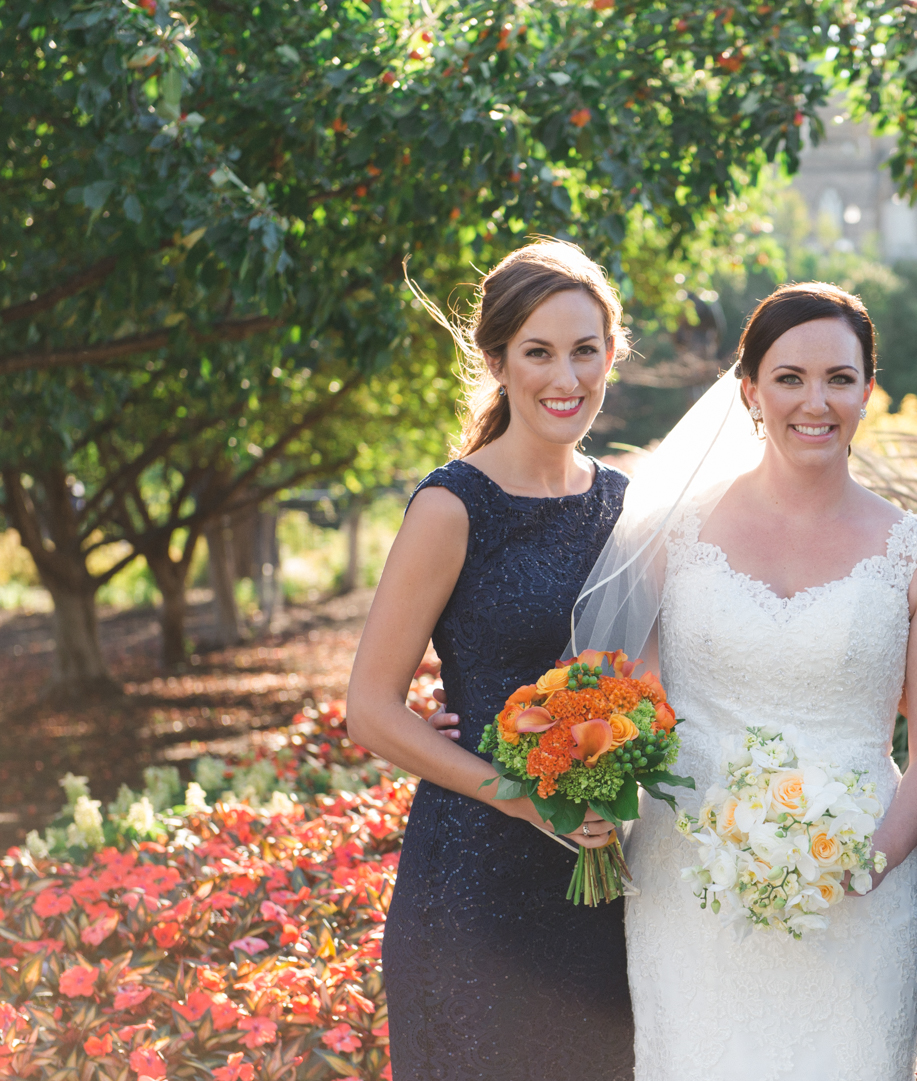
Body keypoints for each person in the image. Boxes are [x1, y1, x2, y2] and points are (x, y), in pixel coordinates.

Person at [573, 282, 917, 1080]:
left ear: (868, 389)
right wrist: (586, 790)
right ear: (749, 390)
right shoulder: (671, 531)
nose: (814, 401)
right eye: (789, 377)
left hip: (857, 887)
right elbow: (613, 699)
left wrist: (875, 856)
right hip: (689, 885)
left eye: (839, 378)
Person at [345, 240, 635, 1081]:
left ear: (612, 354)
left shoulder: (625, 506)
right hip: (472, 879)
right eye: (539, 352)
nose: (566, 378)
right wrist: (519, 799)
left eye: (586, 351)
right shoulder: (452, 504)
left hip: (595, 873)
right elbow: (370, 706)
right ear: (497, 359)